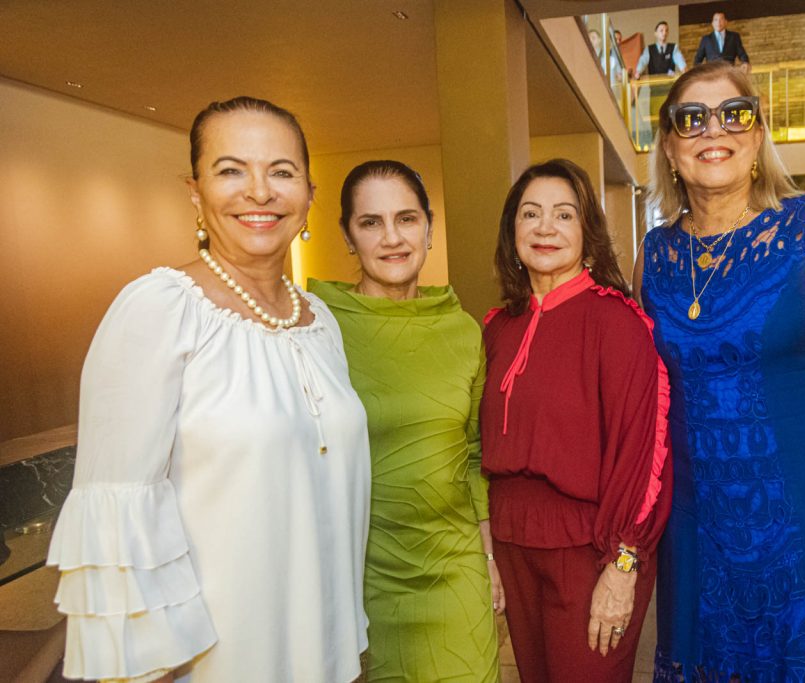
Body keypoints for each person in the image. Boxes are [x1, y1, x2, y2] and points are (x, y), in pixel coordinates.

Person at [46, 97, 371, 683]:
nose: (259, 191)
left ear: (309, 193)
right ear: (196, 192)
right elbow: (117, 510)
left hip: (322, 653)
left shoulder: (319, 320)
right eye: (231, 170)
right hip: (215, 659)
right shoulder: (160, 310)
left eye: (281, 171)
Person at [635, 62, 805, 681]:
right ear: (668, 145)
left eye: (734, 114)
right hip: (696, 526)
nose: (712, 130)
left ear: (757, 134)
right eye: (691, 119)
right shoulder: (655, 255)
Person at [309, 160, 503, 682]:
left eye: (407, 219)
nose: (391, 238)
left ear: (429, 228)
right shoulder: (318, 327)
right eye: (370, 222)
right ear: (348, 236)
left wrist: (489, 560)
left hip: (456, 571)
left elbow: (474, 454)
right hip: (361, 577)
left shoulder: (462, 330)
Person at [480, 159, 672, 681]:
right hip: (512, 542)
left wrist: (624, 566)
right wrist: (488, 552)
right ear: (512, 230)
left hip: (591, 551)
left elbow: (644, 455)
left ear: (588, 233)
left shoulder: (617, 322)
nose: (545, 227)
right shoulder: (497, 328)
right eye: (531, 214)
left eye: (564, 215)